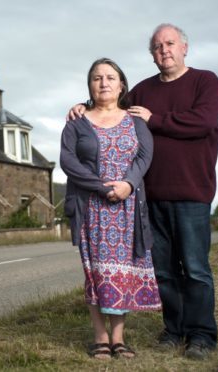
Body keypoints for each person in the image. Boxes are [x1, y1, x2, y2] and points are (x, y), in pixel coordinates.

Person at [67, 24, 218, 360]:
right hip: (149, 195)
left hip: (192, 190)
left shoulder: (205, 81)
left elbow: (204, 121)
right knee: (163, 268)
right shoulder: (142, 89)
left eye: (169, 44)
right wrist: (80, 106)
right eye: (156, 46)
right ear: (151, 54)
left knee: (195, 268)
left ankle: (202, 334)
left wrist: (156, 119)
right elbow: (111, 103)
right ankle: (174, 329)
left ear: (184, 47)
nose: (164, 50)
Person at [60, 58, 161, 360]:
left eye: (110, 77)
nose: (104, 82)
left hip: (128, 209)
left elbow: (145, 156)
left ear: (121, 85)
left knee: (123, 273)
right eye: (97, 78)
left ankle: (119, 338)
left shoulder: (136, 121)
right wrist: (101, 186)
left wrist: (128, 184)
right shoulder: (77, 122)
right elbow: (68, 161)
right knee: (97, 273)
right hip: (91, 207)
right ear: (89, 85)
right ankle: (100, 337)